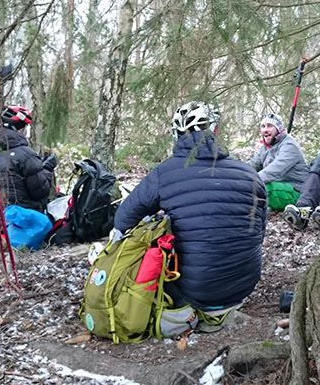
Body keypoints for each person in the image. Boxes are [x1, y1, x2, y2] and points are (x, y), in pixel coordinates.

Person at [113, 101, 267, 312]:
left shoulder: (165, 172)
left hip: (192, 291)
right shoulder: (250, 174)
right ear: (215, 129)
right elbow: (259, 234)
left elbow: (123, 220)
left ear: (176, 134)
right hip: (244, 286)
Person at [0, 105, 57, 216]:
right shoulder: (25, 155)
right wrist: (48, 167)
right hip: (22, 222)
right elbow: (40, 192)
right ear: (20, 129)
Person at [248, 113, 309, 211]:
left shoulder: (289, 145)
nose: (265, 130)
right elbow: (252, 165)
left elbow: (274, 171)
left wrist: (248, 181)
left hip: (296, 192)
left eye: (270, 126)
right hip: (279, 188)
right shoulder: (265, 148)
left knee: (255, 188)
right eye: (263, 126)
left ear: (278, 129)